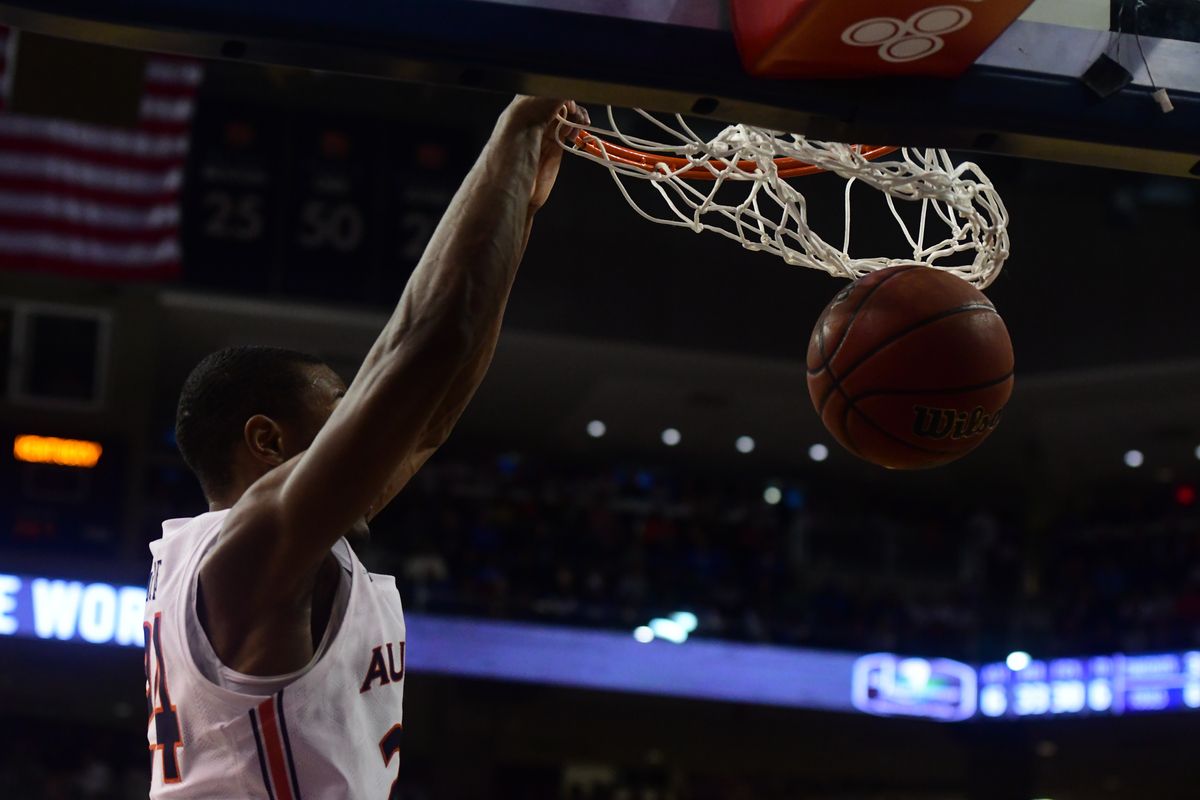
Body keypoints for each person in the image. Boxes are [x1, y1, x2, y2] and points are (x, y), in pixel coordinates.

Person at [143, 96, 587, 798]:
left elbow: (431, 413)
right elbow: (423, 346)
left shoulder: (250, 551)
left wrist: (520, 209)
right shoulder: (251, 545)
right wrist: (512, 133)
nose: (360, 415)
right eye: (340, 404)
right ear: (268, 439)